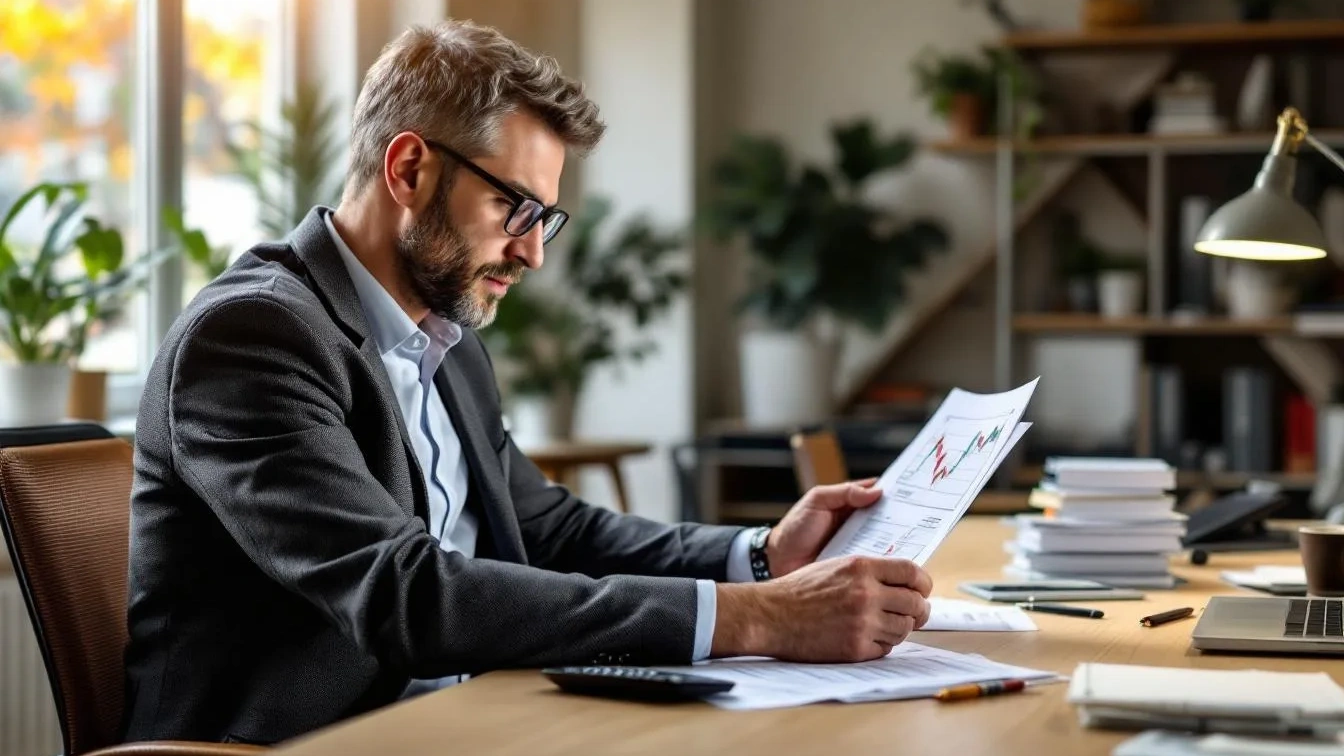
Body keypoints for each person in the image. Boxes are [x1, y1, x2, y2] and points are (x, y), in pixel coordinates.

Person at [122, 19, 932, 746]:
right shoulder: (254, 337)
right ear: (408, 169)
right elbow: (404, 595)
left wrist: (758, 557)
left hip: (463, 722)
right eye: (516, 209)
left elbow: (550, 530)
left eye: (545, 219)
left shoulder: (447, 335)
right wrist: (762, 620)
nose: (534, 252)